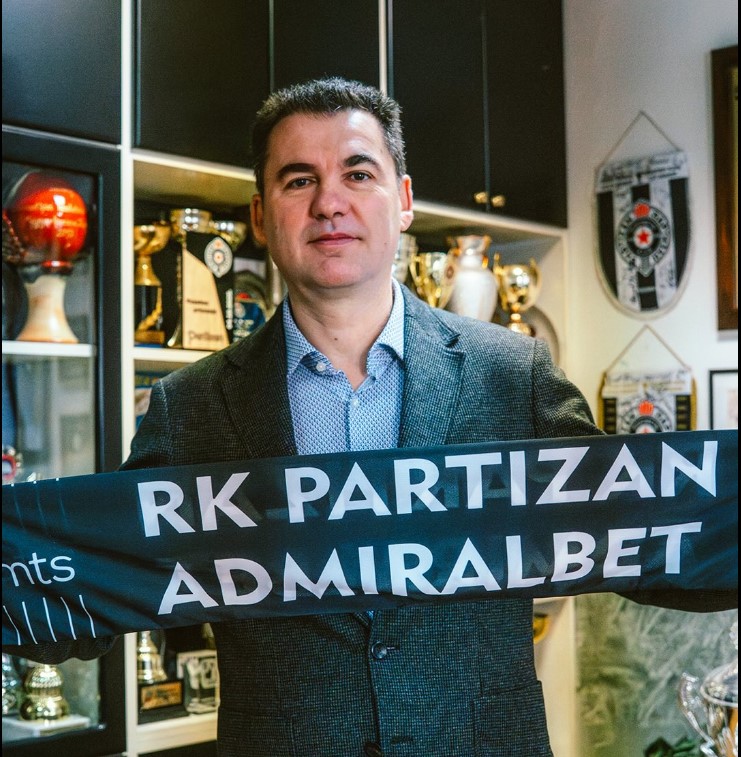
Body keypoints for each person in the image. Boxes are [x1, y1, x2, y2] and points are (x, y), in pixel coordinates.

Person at [7, 77, 736, 757]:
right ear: (260, 215)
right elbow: (105, 586)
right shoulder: (191, 405)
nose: (330, 202)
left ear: (404, 200)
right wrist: (14, 554)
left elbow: (636, 533)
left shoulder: (514, 374)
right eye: (299, 180)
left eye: (358, 173)